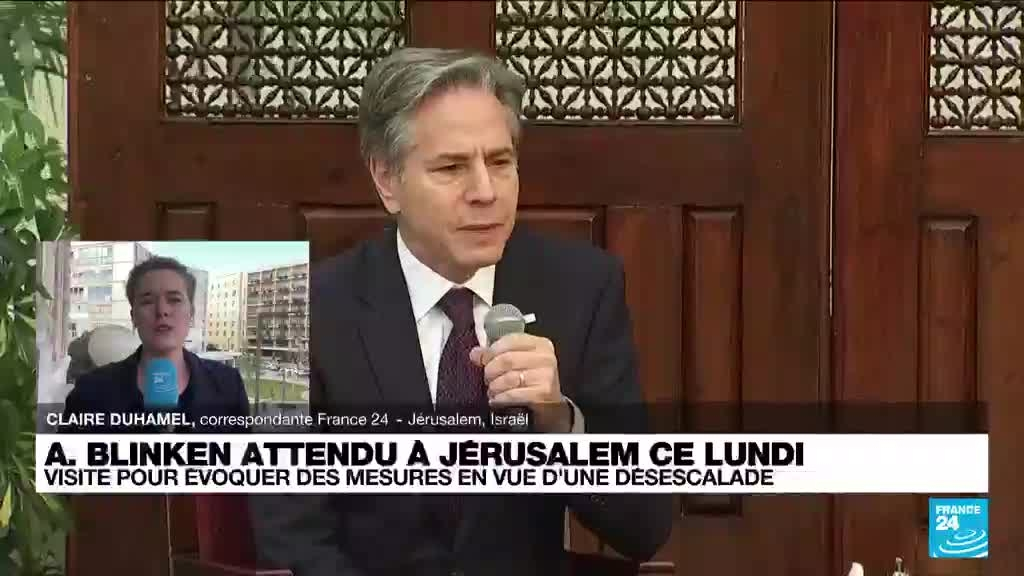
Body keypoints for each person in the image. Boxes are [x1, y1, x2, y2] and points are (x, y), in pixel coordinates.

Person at [249, 48, 673, 575]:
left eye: (500, 162)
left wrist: (560, 425)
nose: (485, 192)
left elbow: (645, 527)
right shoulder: (300, 312)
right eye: (451, 168)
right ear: (387, 180)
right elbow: (290, 538)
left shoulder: (581, 289)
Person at [61, 256, 249, 433]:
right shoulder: (90, 392)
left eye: (174, 300)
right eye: (148, 301)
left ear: (191, 314)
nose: (162, 311)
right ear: (133, 316)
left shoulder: (228, 385)